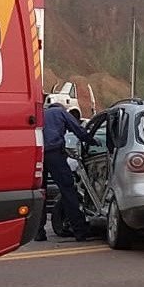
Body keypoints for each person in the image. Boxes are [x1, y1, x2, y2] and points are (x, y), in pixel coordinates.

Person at [36, 103, 98, 242]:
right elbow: (78, 130)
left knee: (40, 193)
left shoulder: (39, 113)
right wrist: (91, 141)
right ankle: (80, 231)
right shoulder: (60, 112)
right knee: (68, 191)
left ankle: (38, 232)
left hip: (36, 154)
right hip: (55, 154)